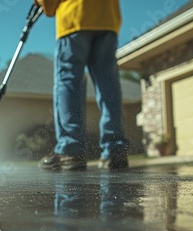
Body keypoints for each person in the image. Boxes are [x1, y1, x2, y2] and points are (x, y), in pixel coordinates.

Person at [35, 0, 129, 171]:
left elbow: (49, 7)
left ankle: (70, 149)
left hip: (75, 16)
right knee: (108, 84)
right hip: (107, 18)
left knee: (69, 82)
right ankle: (115, 150)